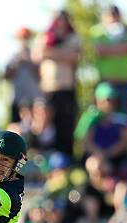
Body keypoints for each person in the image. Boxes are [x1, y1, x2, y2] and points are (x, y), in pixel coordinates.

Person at [32, 10, 81, 154]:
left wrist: (51, 53)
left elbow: (76, 56)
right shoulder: (45, 36)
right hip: (48, 88)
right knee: (47, 124)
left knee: (66, 124)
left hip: (66, 88)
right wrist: (63, 53)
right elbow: (37, 55)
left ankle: (66, 157)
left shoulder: (73, 37)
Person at [90, 5, 127, 113]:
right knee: (103, 116)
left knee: (123, 118)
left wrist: (110, 49)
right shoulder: (97, 31)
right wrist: (122, 49)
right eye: (110, 15)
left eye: (115, 15)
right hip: (106, 82)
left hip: (124, 82)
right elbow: (99, 51)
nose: (113, 18)